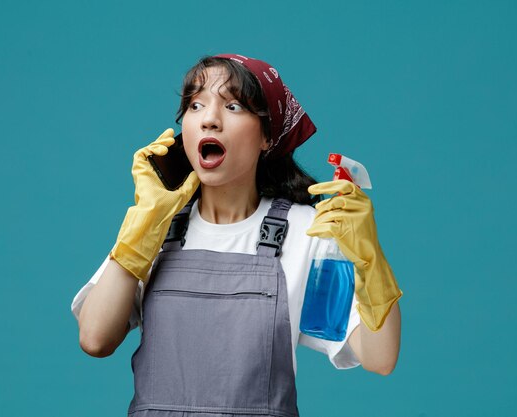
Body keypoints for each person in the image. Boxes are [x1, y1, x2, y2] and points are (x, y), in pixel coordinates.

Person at [71, 53, 403, 416]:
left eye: (232, 105)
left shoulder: (308, 232)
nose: (209, 119)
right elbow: (95, 338)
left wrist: (370, 259)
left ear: (266, 137)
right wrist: (144, 222)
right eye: (195, 104)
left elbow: (379, 357)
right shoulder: (154, 228)